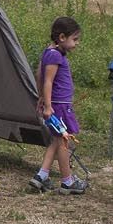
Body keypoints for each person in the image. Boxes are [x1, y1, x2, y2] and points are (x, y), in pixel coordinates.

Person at [28, 16, 87, 194]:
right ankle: (68, 181)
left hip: (56, 104)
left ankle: (41, 176)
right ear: (62, 37)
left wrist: (42, 98)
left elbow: (39, 73)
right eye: (74, 39)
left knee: (56, 140)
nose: (77, 43)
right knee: (63, 141)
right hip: (59, 105)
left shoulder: (49, 52)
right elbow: (47, 81)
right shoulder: (55, 56)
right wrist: (47, 105)